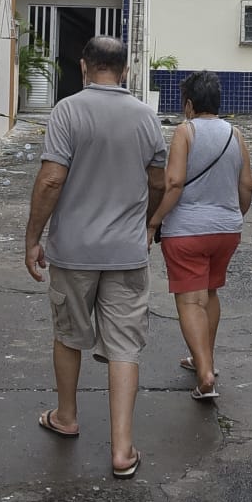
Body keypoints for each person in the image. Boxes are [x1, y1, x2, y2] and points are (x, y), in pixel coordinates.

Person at [24, 35, 167, 478]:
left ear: (85, 67)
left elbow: (51, 180)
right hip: (127, 252)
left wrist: (33, 237)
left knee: (69, 335)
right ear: (126, 71)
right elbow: (159, 182)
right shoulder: (146, 116)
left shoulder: (67, 111)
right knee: (125, 346)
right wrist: (147, 224)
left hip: (74, 251)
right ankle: (122, 450)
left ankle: (67, 417)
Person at [147, 70, 252, 401]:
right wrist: (234, 216)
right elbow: (248, 184)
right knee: (210, 292)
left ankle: (205, 373)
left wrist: (153, 222)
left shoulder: (186, 131)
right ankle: (203, 358)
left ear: (189, 105)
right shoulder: (236, 134)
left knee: (191, 300)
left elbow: (174, 182)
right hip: (226, 231)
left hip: (187, 232)